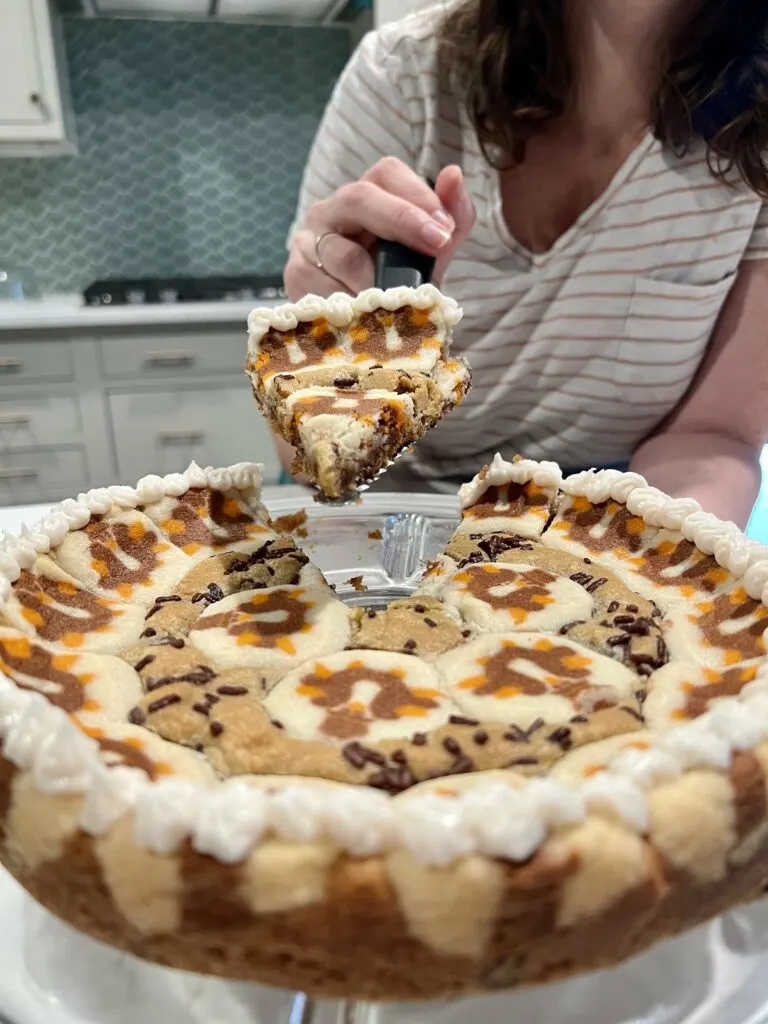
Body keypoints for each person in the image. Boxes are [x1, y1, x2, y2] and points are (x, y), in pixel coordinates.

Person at [282, 0, 768, 528]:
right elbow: (312, 463)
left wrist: (634, 571)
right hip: (389, 514)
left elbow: (713, 435)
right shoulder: (404, 76)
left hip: (617, 515)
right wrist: (334, 375)